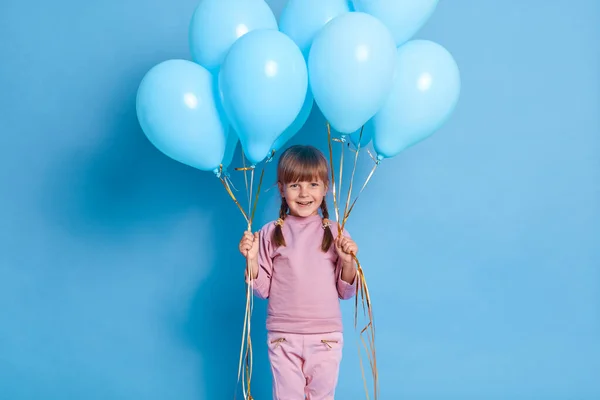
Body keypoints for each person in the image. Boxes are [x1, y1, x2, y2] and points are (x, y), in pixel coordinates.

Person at [238, 145, 358, 400]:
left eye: (313, 184)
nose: (304, 193)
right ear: (281, 189)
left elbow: (345, 291)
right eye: (295, 185)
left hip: (326, 337)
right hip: (283, 336)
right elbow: (261, 290)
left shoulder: (335, 232)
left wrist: (348, 261)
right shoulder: (270, 233)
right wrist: (251, 259)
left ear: (326, 188)